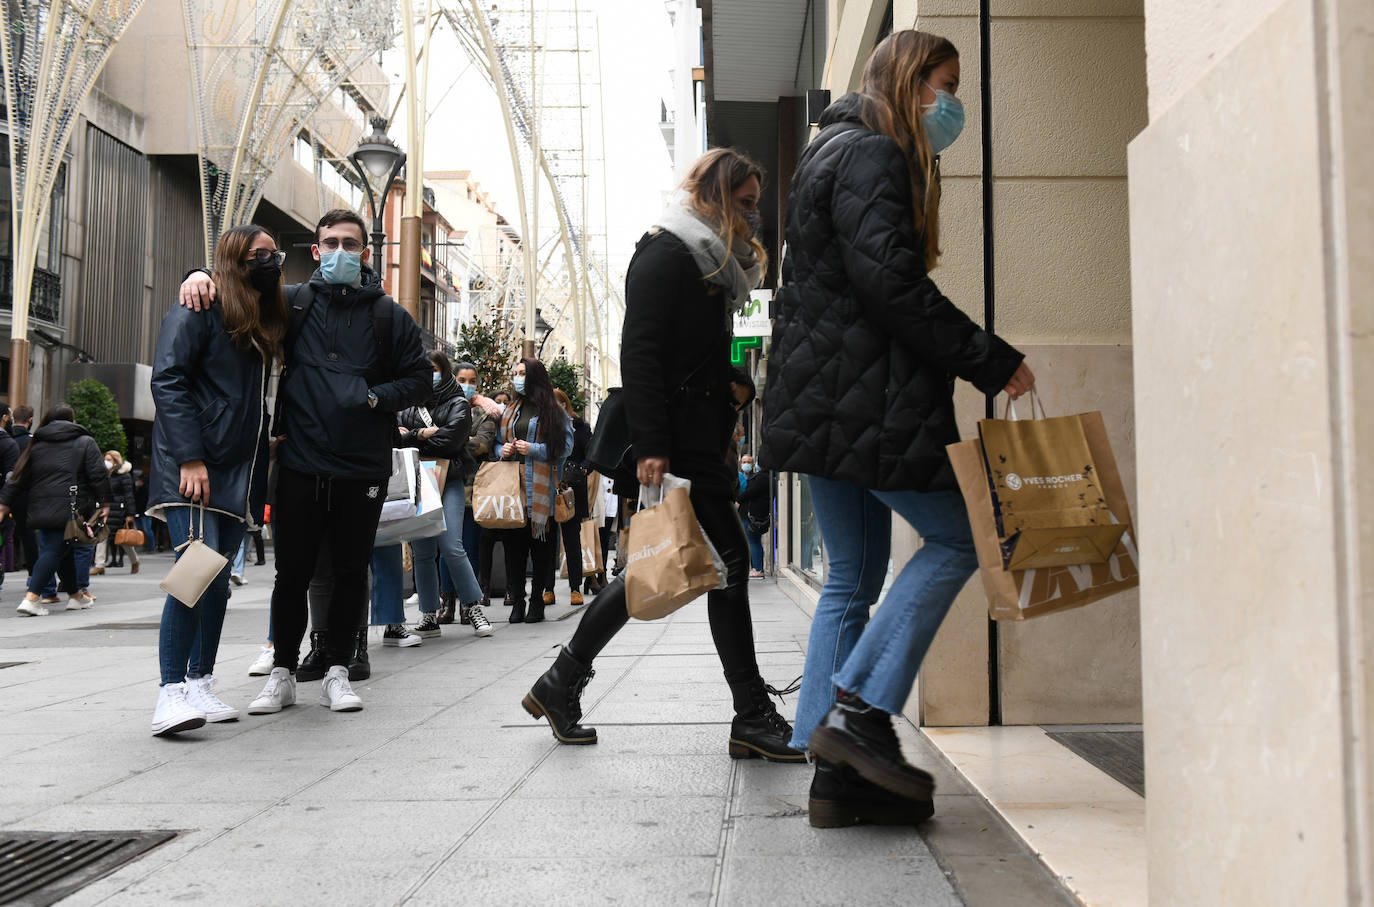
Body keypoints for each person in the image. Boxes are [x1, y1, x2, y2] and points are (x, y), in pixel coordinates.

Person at [761, 30, 1035, 826]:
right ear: (912, 81)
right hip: (864, 403)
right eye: (945, 84)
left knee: (850, 574)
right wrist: (987, 357)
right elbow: (892, 285)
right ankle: (862, 713)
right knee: (957, 538)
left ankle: (834, 775)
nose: (952, 104)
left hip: (823, 403)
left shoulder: (827, 151)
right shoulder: (874, 156)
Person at [521, 148, 804, 763]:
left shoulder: (706, 260)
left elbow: (691, 353)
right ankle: (750, 713)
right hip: (675, 442)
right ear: (715, 197)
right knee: (723, 566)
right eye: (746, 204)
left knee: (660, 568)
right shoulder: (666, 252)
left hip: (699, 437)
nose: (754, 217)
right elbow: (642, 354)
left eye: (757, 205)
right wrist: (651, 446)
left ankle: (563, 681)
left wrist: (737, 377)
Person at [179, 208, 431, 714]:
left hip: (361, 465)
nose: (341, 251)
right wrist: (199, 275)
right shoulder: (292, 303)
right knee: (290, 574)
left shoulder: (389, 315)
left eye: (351, 243)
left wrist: (374, 397)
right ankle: (282, 672)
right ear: (316, 251)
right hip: (298, 461)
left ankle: (338, 667)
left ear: (366, 251)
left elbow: (421, 380)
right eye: (331, 242)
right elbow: (239, 303)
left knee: (349, 570)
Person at [144, 224, 285, 736]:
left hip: (237, 470)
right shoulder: (199, 304)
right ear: (233, 260)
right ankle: (169, 692)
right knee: (193, 575)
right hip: (198, 466)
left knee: (218, 583)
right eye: (258, 255)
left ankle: (200, 680)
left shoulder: (257, 313)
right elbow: (169, 379)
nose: (270, 262)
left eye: (274, 254)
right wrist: (189, 457)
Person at [397, 350, 492, 639]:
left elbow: (452, 441)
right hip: (418, 479)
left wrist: (413, 436)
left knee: (452, 545)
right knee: (423, 551)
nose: (430, 375)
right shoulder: (409, 403)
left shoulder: (457, 403)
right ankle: (429, 614)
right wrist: (422, 435)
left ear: (444, 371)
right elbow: (396, 436)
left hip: (448, 478)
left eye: (435, 369)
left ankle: (473, 606)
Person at [0, 405, 111, 617]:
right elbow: (98, 475)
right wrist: (105, 503)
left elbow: (18, 476)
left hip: (40, 507)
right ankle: (32, 598)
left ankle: (76, 596)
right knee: (53, 550)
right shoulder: (85, 441)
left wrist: (4, 503)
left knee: (63, 549)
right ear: (72, 420)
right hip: (71, 507)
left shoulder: (37, 443)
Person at [497, 358, 572, 624]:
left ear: (535, 377)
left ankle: (537, 601)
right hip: (513, 490)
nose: (517, 377)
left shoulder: (553, 411)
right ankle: (517, 601)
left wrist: (534, 449)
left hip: (541, 494)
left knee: (540, 551)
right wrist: (502, 450)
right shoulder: (511, 409)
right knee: (513, 550)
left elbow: (565, 447)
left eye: (522, 373)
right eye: (515, 373)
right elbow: (498, 442)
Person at [442, 360, 499, 626]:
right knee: (445, 549)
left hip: (474, 491)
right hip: (444, 486)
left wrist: (448, 439)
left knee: (469, 548)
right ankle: (446, 603)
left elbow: (483, 444)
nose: (467, 385)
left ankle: (469, 604)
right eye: (462, 380)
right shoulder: (442, 408)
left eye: (472, 380)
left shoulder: (483, 414)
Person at [550, 388, 592, 606]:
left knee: (572, 540)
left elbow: (591, 455)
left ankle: (575, 588)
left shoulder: (581, 427)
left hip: (571, 490)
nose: (558, 408)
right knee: (546, 541)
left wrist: (583, 469)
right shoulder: (543, 426)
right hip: (548, 486)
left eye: (561, 403)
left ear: (566, 404)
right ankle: (548, 588)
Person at [477, 388, 511, 606]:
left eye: (505, 402)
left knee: (510, 542)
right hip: (490, 481)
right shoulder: (486, 419)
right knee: (486, 541)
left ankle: (511, 588)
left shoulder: (510, 421)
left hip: (508, 484)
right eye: (497, 401)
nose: (501, 406)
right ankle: (484, 587)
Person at [101, 451, 140, 573]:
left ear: (116, 461)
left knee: (123, 539)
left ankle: (135, 561)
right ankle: (99, 564)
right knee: (101, 536)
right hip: (106, 510)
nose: (106, 462)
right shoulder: (104, 475)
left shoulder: (124, 476)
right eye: (105, 459)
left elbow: (129, 496)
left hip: (119, 510)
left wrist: (130, 514)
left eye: (109, 459)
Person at [736, 455, 769, 578]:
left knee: (753, 541)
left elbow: (749, 493)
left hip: (750, 514)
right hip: (747, 513)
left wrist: (738, 500)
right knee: (752, 541)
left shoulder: (759, 478)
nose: (746, 464)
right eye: (744, 462)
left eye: (749, 462)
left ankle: (757, 568)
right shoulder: (757, 478)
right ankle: (755, 567)